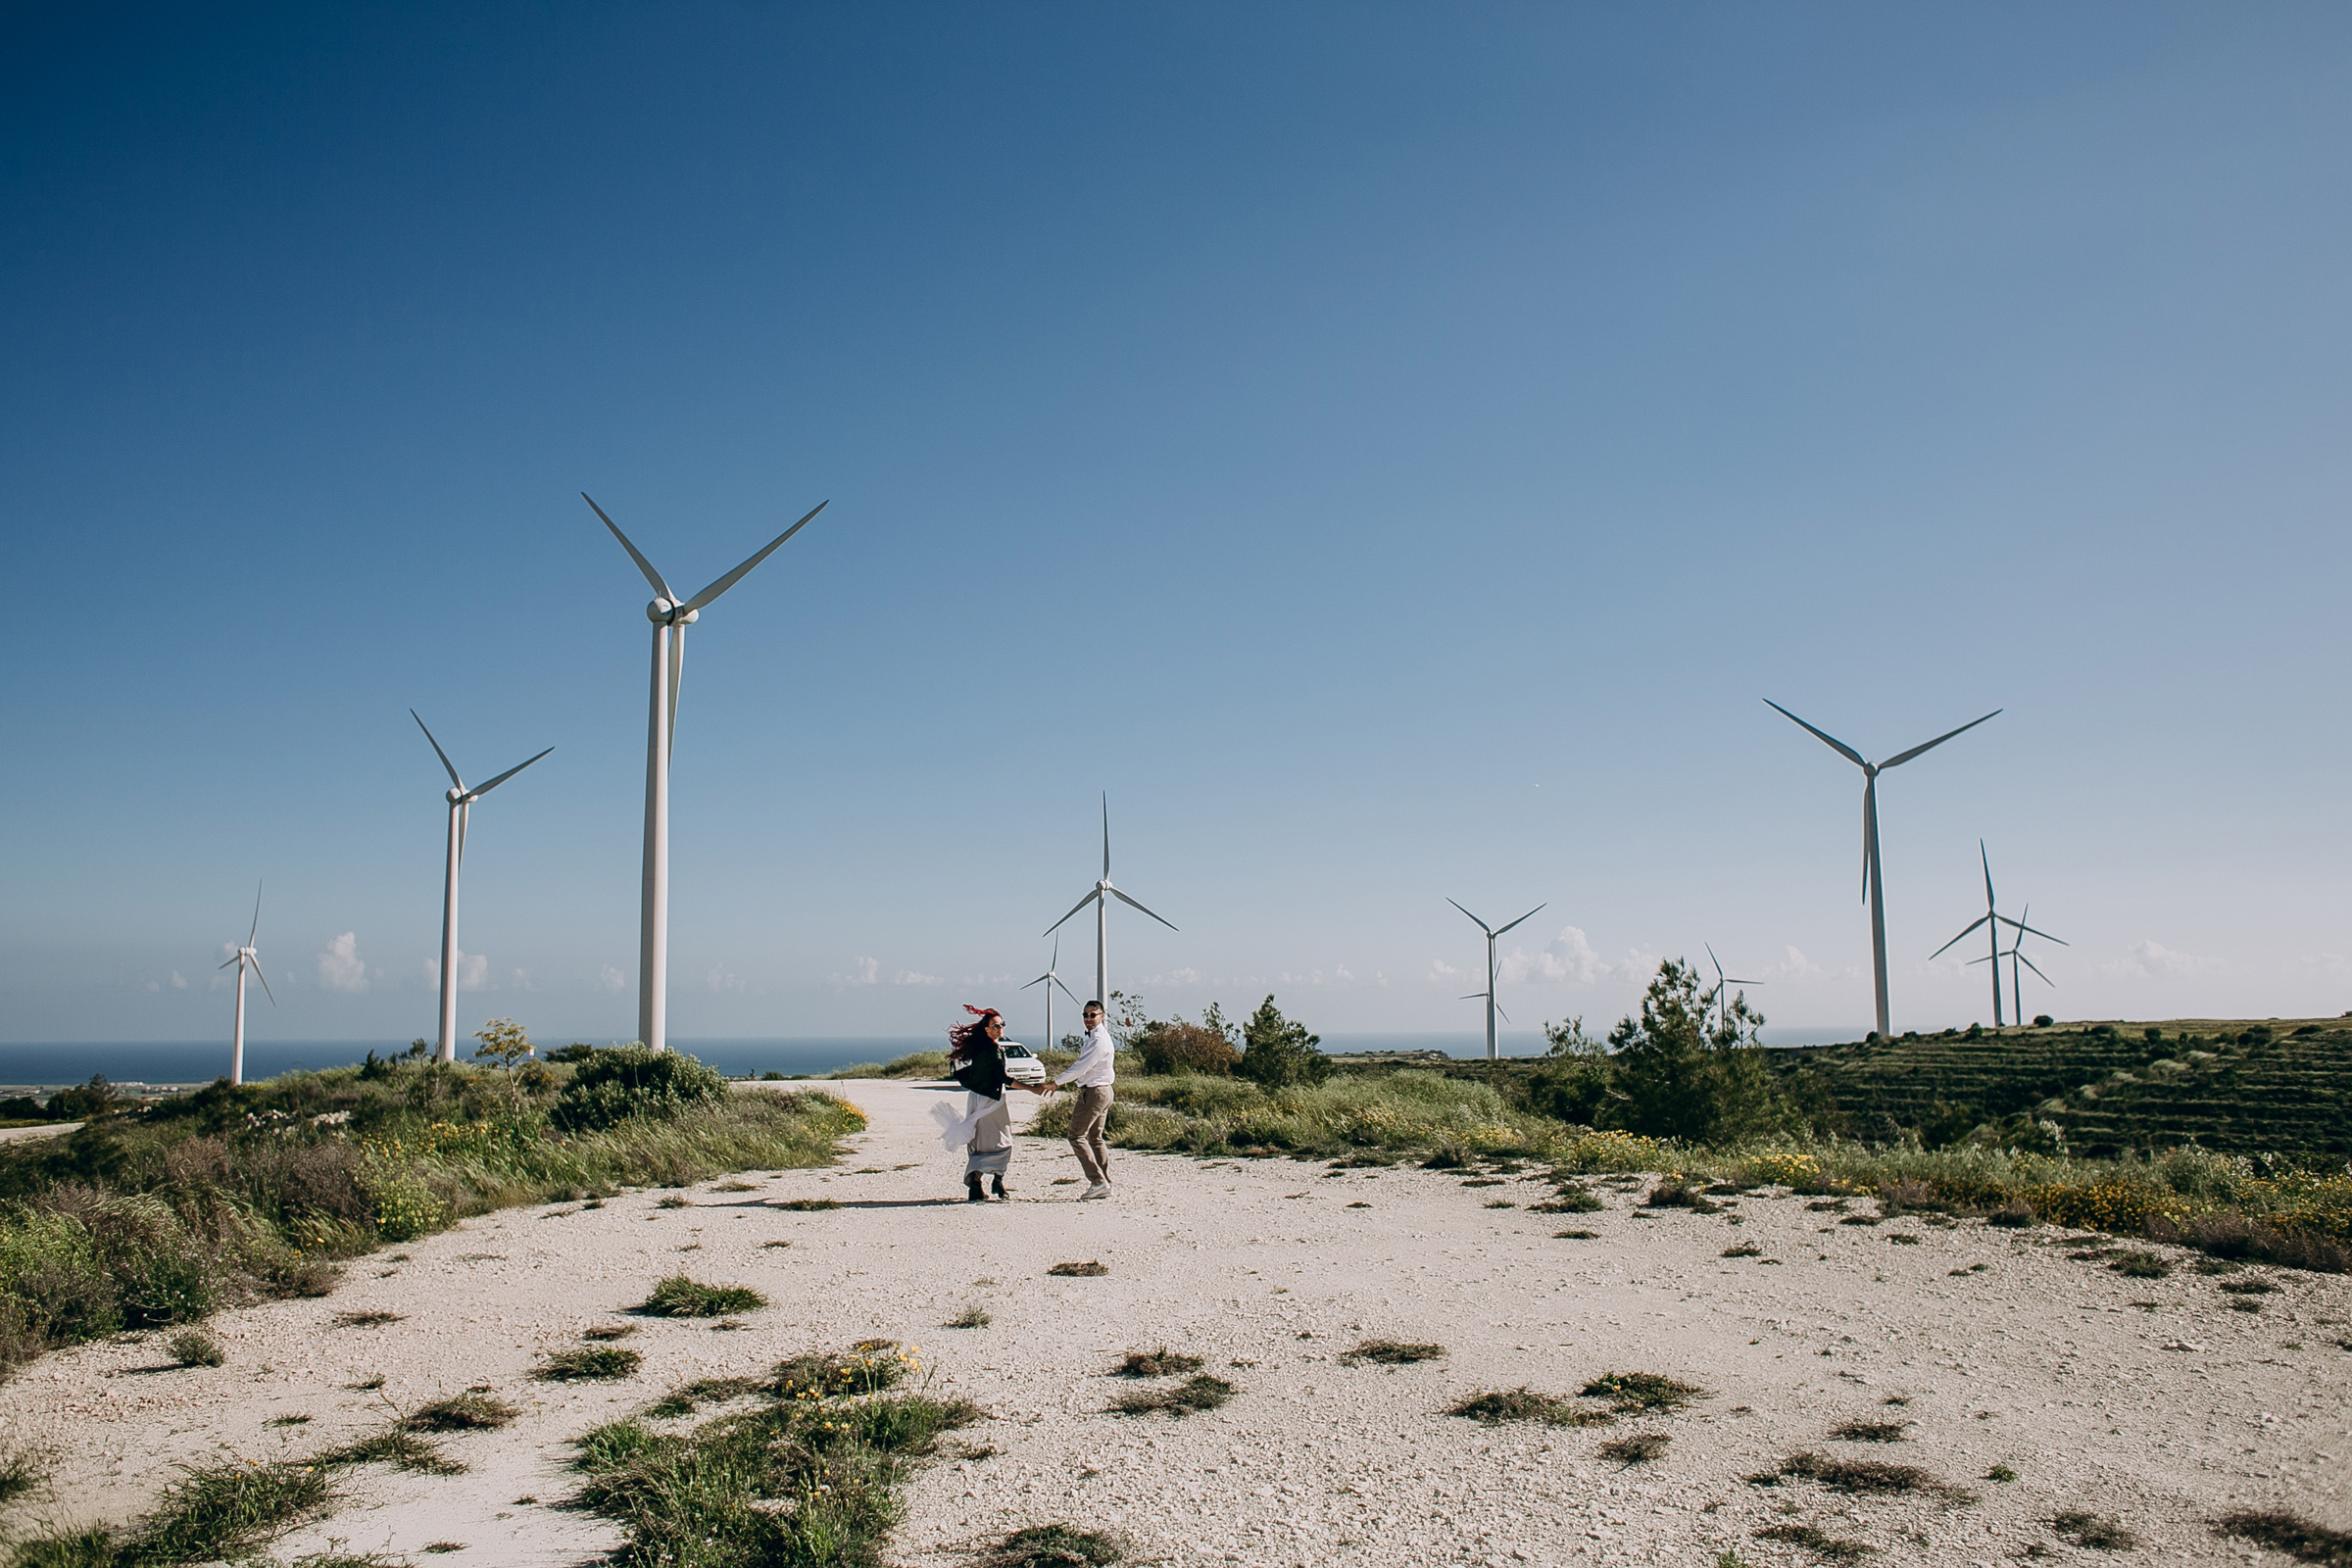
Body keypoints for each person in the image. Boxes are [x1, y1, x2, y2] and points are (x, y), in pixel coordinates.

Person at [931, 1005, 1049, 1202]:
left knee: (980, 1142)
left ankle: (981, 1184)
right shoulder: (992, 1050)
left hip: (978, 1097)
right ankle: (995, 1179)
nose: (1000, 1028)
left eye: (1002, 1024)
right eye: (996, 1025)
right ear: (986, 1029)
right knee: (1003, 1141)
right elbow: (1003, 1078)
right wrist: (1031, 1088)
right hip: (991, 1100)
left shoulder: (984, 1047)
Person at [1040, 1000, 1116, 1199]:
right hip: (1103, 1090)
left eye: (1093, 1015)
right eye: (1085, 1015)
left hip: (1095, 1092)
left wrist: (1056, 1082)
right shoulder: (1095, 1037)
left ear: (1102, 1016)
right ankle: (1105, 1182)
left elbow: (1082, 1067)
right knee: (1095, 1138)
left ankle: (1098, 1181)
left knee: (1076, 1136)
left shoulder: (1098, 1040)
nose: (1089, 1019)